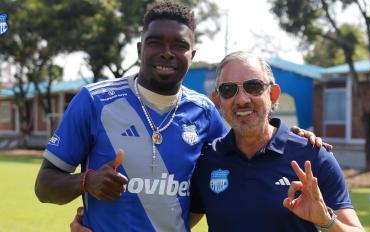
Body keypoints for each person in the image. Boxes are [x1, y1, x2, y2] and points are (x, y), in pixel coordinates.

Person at [36, 2, 326, 232]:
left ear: (192, 53)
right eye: (155, 43)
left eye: (179, 45)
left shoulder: (204, 113)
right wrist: (85, 181)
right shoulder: (94, 100)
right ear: (140, 49)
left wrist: (290, 136)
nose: (166, 53)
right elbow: (45, 186)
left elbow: (241, 154)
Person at [189, 51, 365, 232]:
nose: (242, 99)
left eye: (253, 87)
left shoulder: (313, 156)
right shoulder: (207, 160)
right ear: (217, 100)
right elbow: (173, 222)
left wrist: (327, 220)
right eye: (228, 90)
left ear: (273, 94)